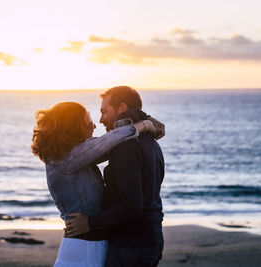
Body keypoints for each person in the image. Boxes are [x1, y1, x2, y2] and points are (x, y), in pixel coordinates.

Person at [31, 101, 160, 266]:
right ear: (73, 128)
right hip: (82, 248)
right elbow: (112, 139)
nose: (93, 127)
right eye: (88, 124)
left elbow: (110, 144)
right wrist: (146, 124)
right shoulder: (64, 158)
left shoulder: (78, 157)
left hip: (92, 245)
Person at [65, 86, 165, 267]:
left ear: (122, 108)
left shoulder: (127, 146)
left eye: (104, 112)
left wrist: (90, 223)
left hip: (130, 246)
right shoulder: (151, 141)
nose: (101, 119)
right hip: (149, 240)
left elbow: (132, 206)